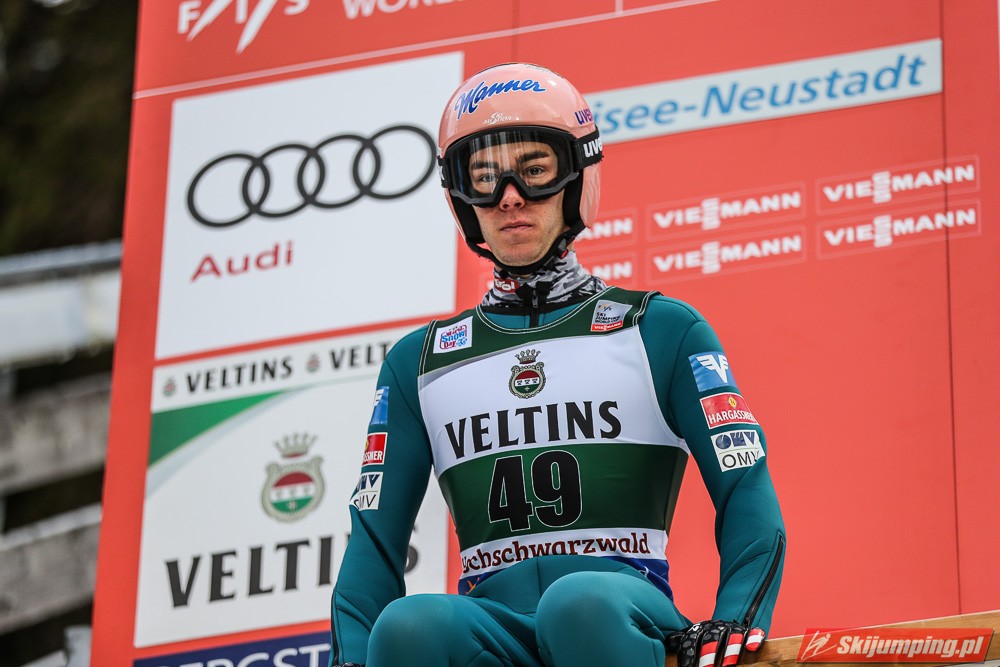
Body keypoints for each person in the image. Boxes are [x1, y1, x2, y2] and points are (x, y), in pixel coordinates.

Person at [329, 62, 786, 667]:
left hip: (619, 612)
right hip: (493, 629)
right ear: (461, 198)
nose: (509, 196)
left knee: (579, 605)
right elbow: (373, 540)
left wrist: (737, 618)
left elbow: (745, 484)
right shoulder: (420, 362)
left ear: (578, 177)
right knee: (412, 627)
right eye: (483, 177)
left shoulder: (659, 329)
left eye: (535, 169)